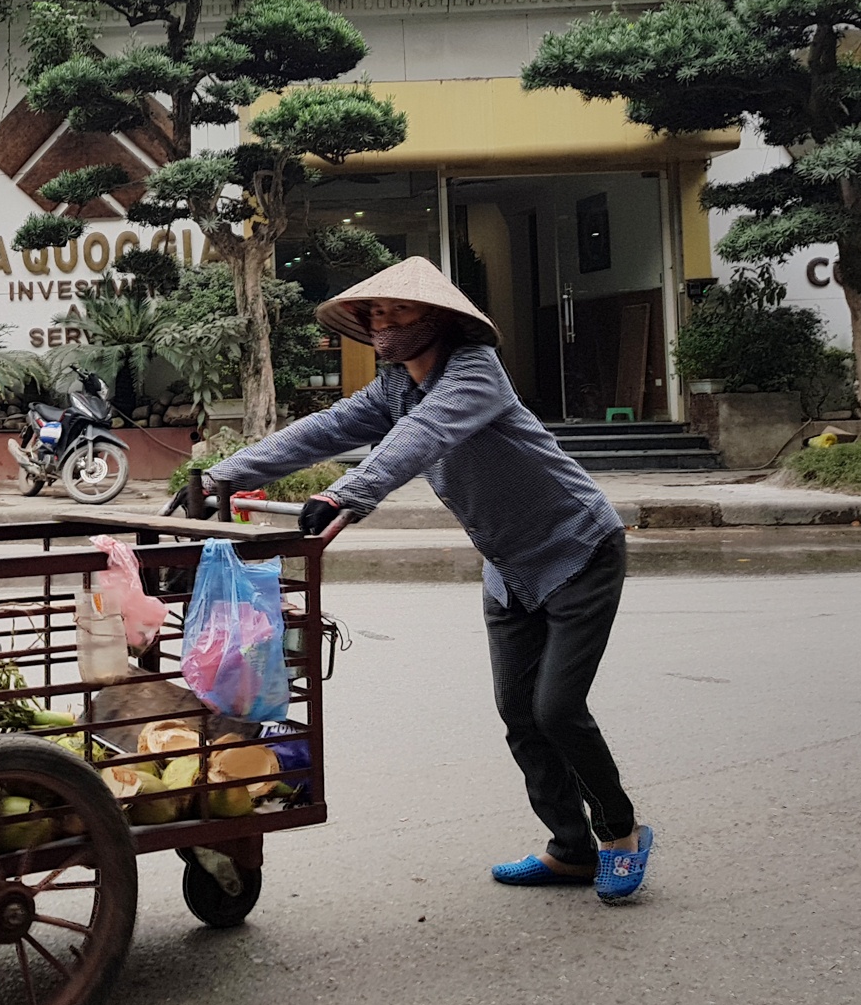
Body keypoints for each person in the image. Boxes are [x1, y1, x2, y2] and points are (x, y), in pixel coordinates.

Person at [205, 256, 653, 902]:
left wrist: (345, 495)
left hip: (578, 549)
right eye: (375, 313)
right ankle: (571, 850)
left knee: (556, 709)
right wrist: (222, 475)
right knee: (519, 715)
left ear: (438, 319)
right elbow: (325, 430)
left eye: (399, 311)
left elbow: (422, 435)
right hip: (508, 568)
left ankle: (621, 832)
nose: (383, 323)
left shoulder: (475, 374)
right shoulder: (395, 387)